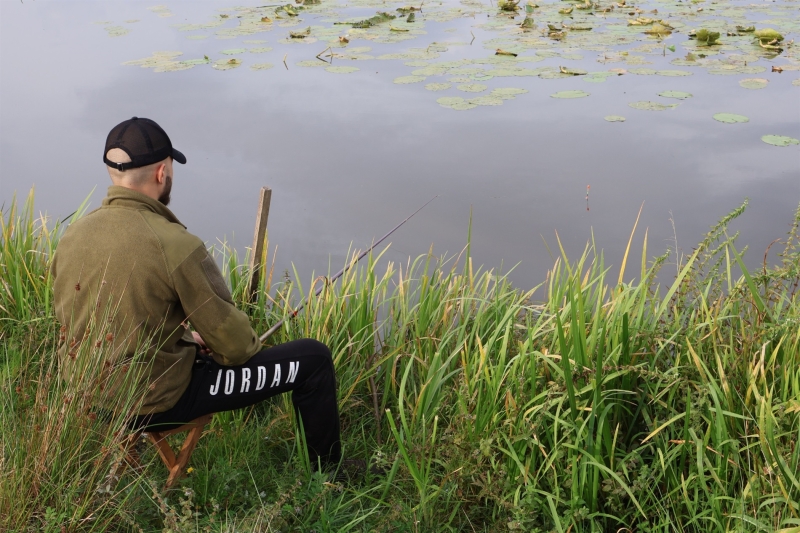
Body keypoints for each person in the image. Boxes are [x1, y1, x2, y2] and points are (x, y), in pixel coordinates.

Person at [51, 117, 341, 471]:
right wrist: (224, 342)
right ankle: (328, 475)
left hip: (88, 395)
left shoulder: (72, 235)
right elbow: (235, 347)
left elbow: (85, 316)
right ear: (162, 173)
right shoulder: (176, 244)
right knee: (312, 358)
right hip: (154, 403)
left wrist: (186, 339)